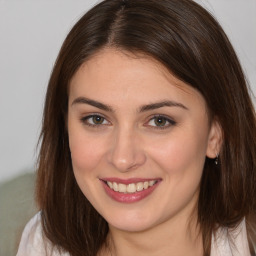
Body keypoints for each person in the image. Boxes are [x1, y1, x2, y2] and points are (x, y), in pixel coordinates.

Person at [17, 0, 256, 255]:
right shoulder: (42, 243)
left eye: (159, 121)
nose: (122, 158)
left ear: (215, 134)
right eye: (97, 119)